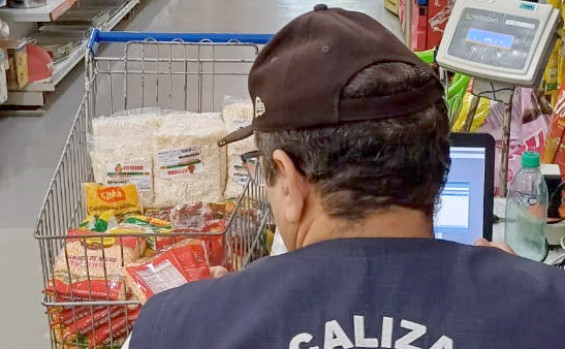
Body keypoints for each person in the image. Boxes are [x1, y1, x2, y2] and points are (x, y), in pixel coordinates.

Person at [130, 5, 565, 348]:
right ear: (438, 163)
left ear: (288, 180)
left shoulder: (173, 329)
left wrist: (219, 306)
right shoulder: (548, 308)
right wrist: (524, 289)